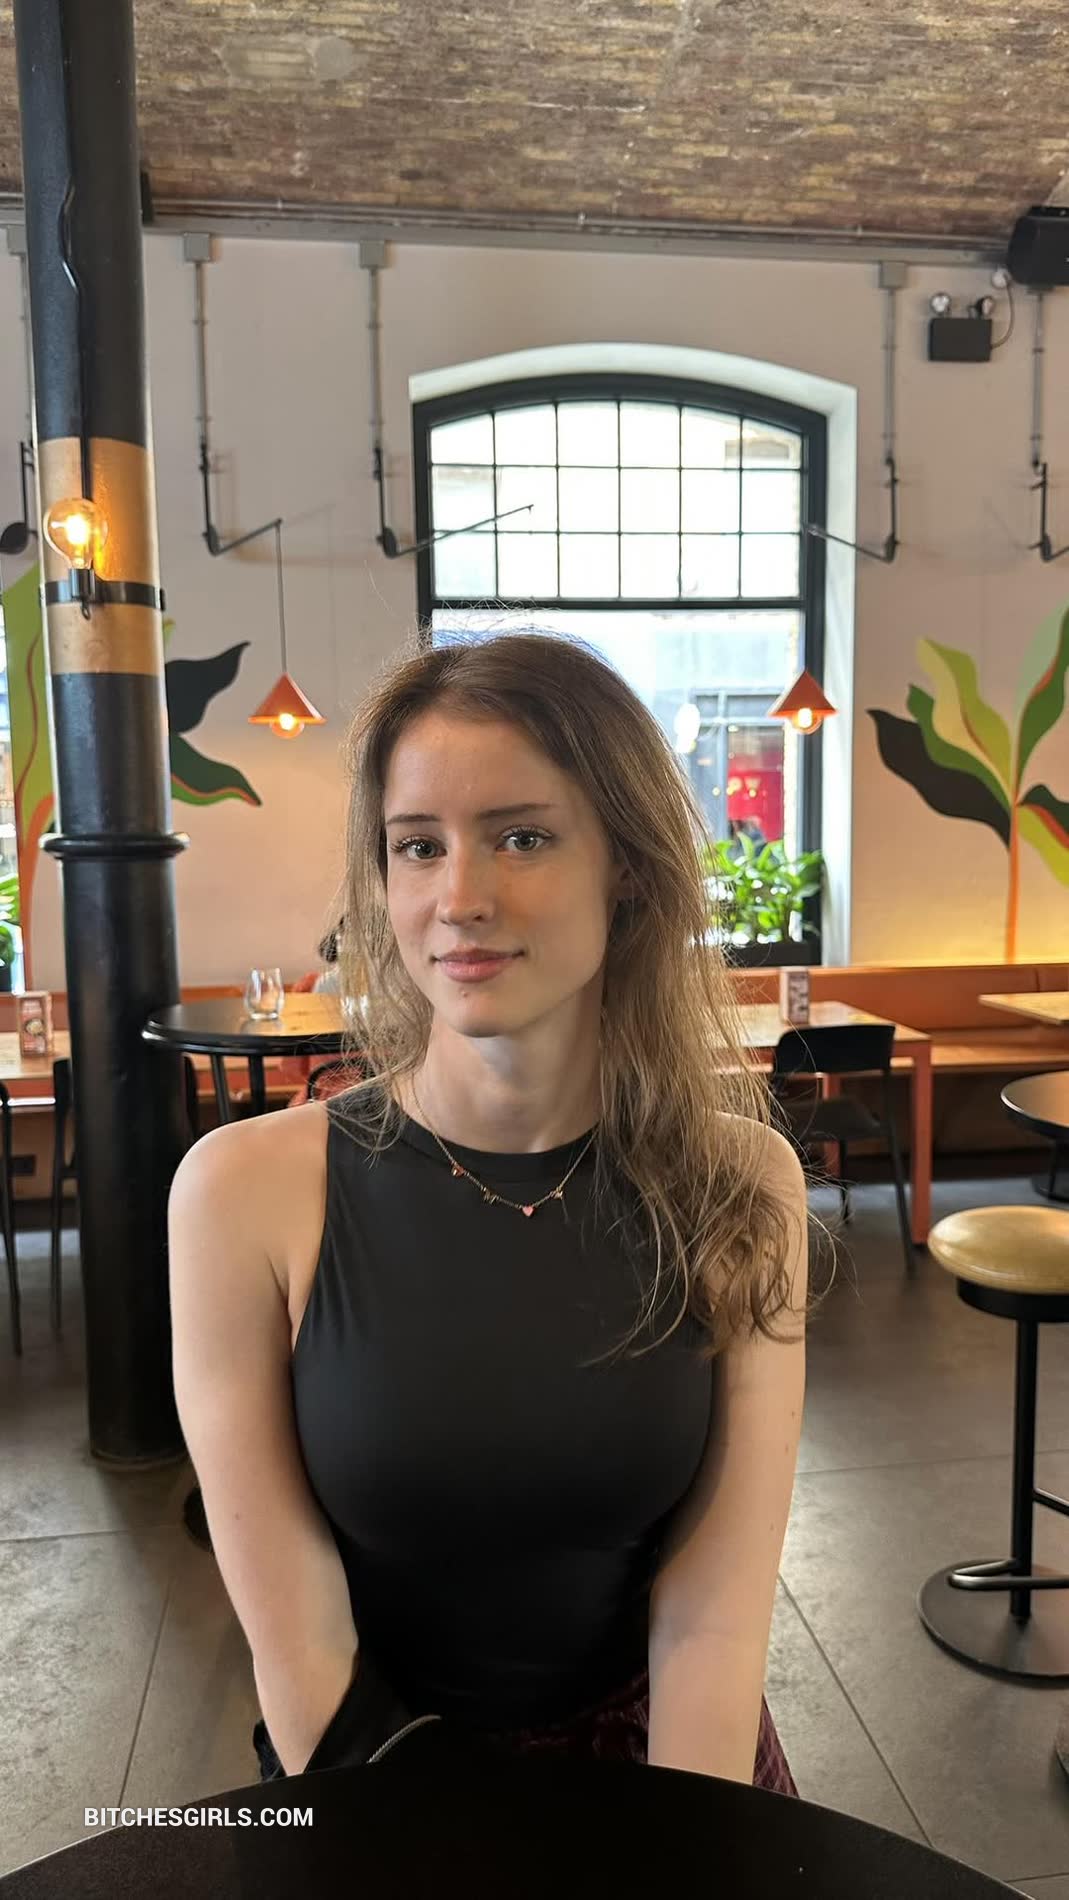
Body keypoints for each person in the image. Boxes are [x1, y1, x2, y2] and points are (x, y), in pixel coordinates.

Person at [168, 629, 809, 1789]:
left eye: (522, 836)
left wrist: (688, 1853)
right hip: (374, 1781)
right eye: (418, 845)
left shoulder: (739, 1181)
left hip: (664, 1777)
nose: (458, 898)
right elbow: (298, 1642)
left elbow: (714, 1618)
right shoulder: (243, 1193)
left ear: (626, 864)